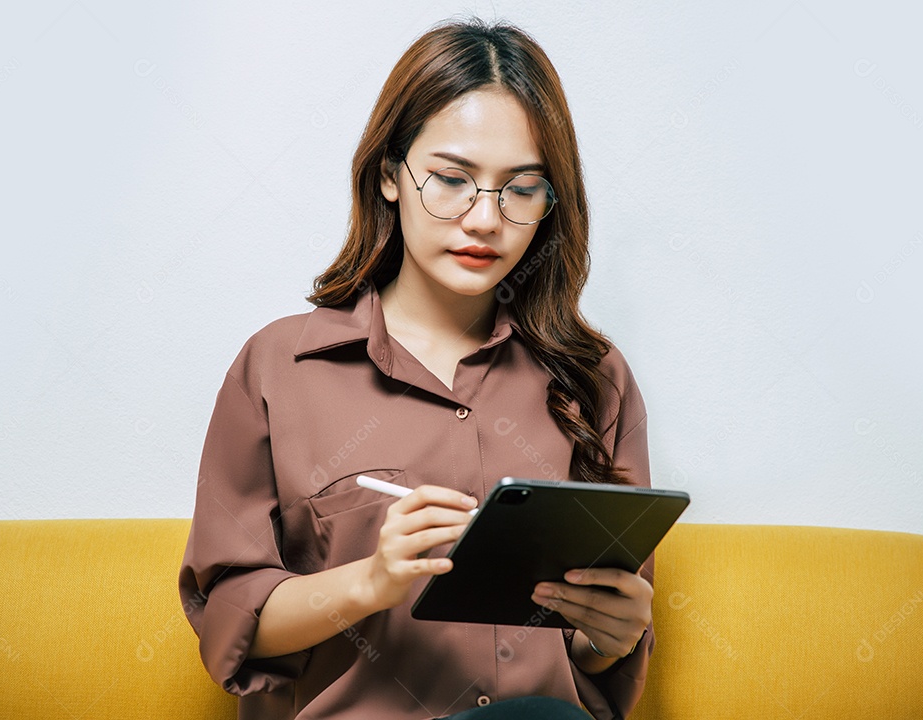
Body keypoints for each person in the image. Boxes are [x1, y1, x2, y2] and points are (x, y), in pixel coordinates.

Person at [179, 16, 655, 720]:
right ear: (389, 177)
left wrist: (608, 639)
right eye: (451, 179)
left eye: (521, 188)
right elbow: (230, 618)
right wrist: (370, 582)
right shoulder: (279, 368)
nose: (485, 219)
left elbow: (593, 653)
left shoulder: (597, 378)